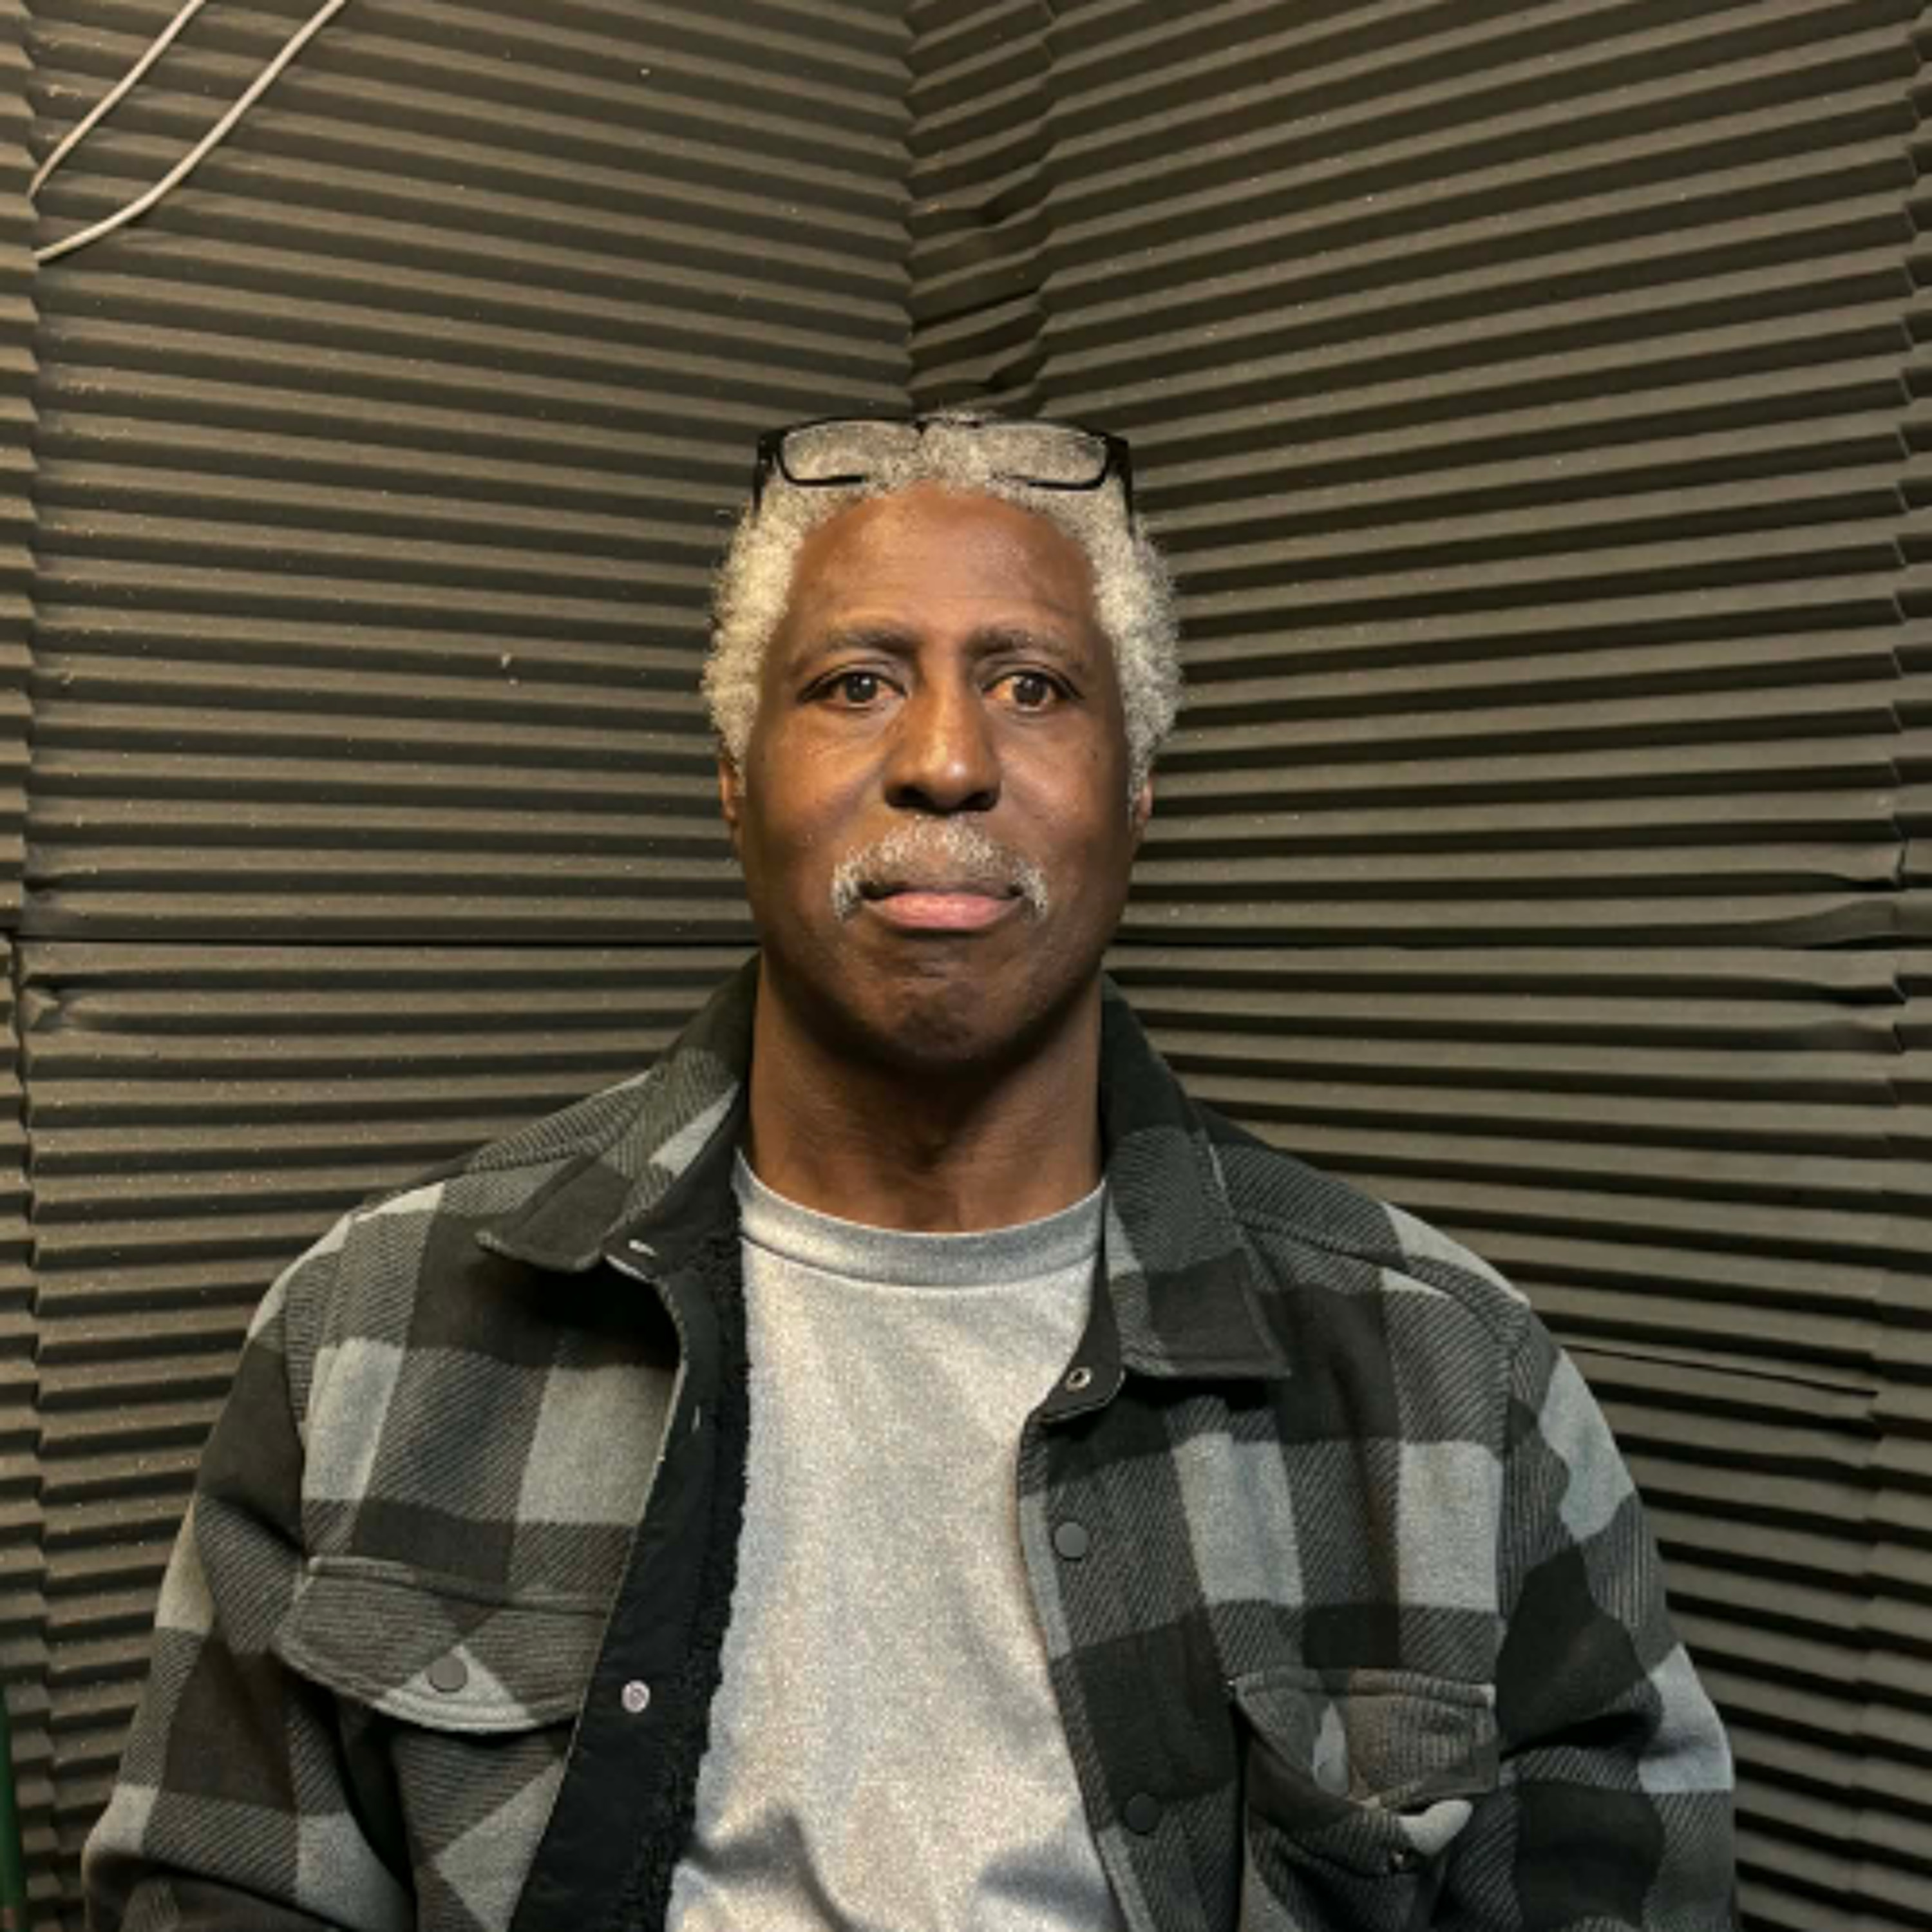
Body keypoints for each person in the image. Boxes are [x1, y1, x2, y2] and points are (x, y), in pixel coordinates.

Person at [84, 414, 1737, 1931]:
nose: (946, 758)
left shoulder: (1448, 1379)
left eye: (1034, 686)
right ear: (734, 781)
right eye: (858, 682)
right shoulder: (377, 1336)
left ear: (1139, 793)